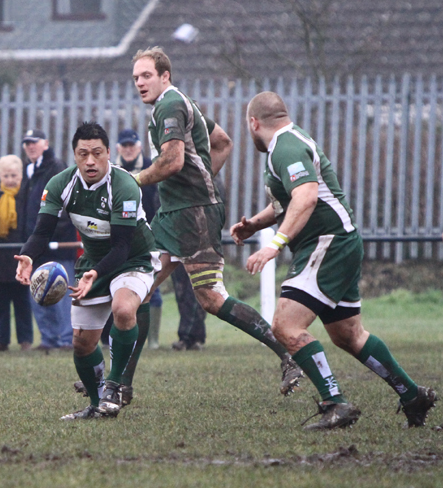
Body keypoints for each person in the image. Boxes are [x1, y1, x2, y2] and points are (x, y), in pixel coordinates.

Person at [231, 91, 437, 430]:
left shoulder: (286, 147)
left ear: (253, 122)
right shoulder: (288, 143)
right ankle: (412, 394)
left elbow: (307, 196)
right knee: (347, 334)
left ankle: (335, 403)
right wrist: (255, 223)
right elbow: (290, 200)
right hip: (340, 242)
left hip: (327, 244)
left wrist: (275, 245)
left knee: (285, 325)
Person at [131, 46, 304, 395]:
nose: (140, 83)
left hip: (193, 216)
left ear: (165, 76)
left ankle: (289, 356)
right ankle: (119, 383)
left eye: (146, 75)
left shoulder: (169, 104)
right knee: (138, 289)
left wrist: (131, 179)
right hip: (172, 213)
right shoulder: (180, 102)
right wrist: (203, 180)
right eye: (135, 77)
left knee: (209, 298)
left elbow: (172, 162)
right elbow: (222, 141)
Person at [15, 122, 160, 420]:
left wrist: (95, 275)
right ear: (74, 155)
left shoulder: (125, 185)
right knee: (82, 342)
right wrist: (28, 256)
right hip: (93, 261)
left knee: (122, 309)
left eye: (97, 153)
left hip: (134, 258)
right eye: (83, 154)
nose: (90, 161)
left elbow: (120, 247)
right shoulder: (60, 184)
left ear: (109, 153)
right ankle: (96, 406)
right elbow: (42, 232)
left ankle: (114, 386)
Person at [18, 128, 75, 351]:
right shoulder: (29, 170)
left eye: (35, 142)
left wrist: (50, 236)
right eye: (27, 143)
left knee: (61, 290)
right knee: (38, 292)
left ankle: (66, 338)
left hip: (57, 245)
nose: (31, 146)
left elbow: (63, 207)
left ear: (46, 143)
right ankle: (48, 338)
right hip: (35, 247)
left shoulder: (56, 167)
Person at [112, 128, 162, 349]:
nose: (128, 149)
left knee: (152, 287)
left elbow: (157, 202)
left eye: (132, 145)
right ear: (118, 149)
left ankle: (152, 339)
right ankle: (122, 337)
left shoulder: (152, 168)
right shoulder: (112, 171)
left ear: (140, 146)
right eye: (124, 146)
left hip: (149, 235)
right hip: (120, 237)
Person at [0, 155, 33, 352]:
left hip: (20, 255)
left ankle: (25, 339)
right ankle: (1, 339)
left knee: (22, 300)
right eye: (6, 175)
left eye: (14, 175)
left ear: (21, 176)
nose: (10, 179)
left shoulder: (24, 197)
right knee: (2, 301)